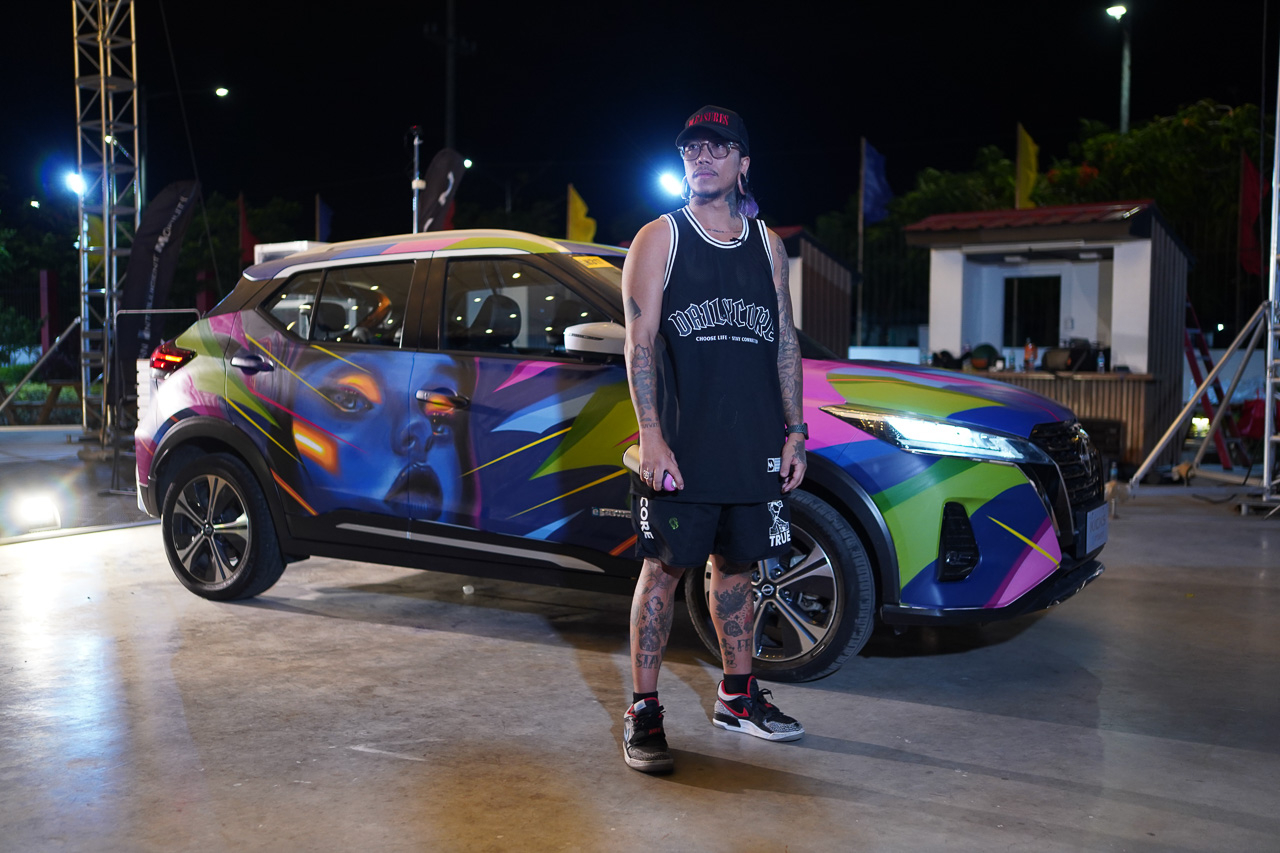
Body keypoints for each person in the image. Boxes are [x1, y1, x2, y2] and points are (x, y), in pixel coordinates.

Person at [620, 105, 808, 773]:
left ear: (743, 163)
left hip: (753, 442)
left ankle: (737, 695)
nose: (702, 157)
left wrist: (795, 430)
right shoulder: (660, 237)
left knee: (738, 569)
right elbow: (640, 341)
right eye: (692, 148)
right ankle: (644, 710)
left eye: (718, 147)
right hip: (683, 445)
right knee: (662, 570)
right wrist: (652, 436)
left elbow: (784, 342)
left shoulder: (768, 245)